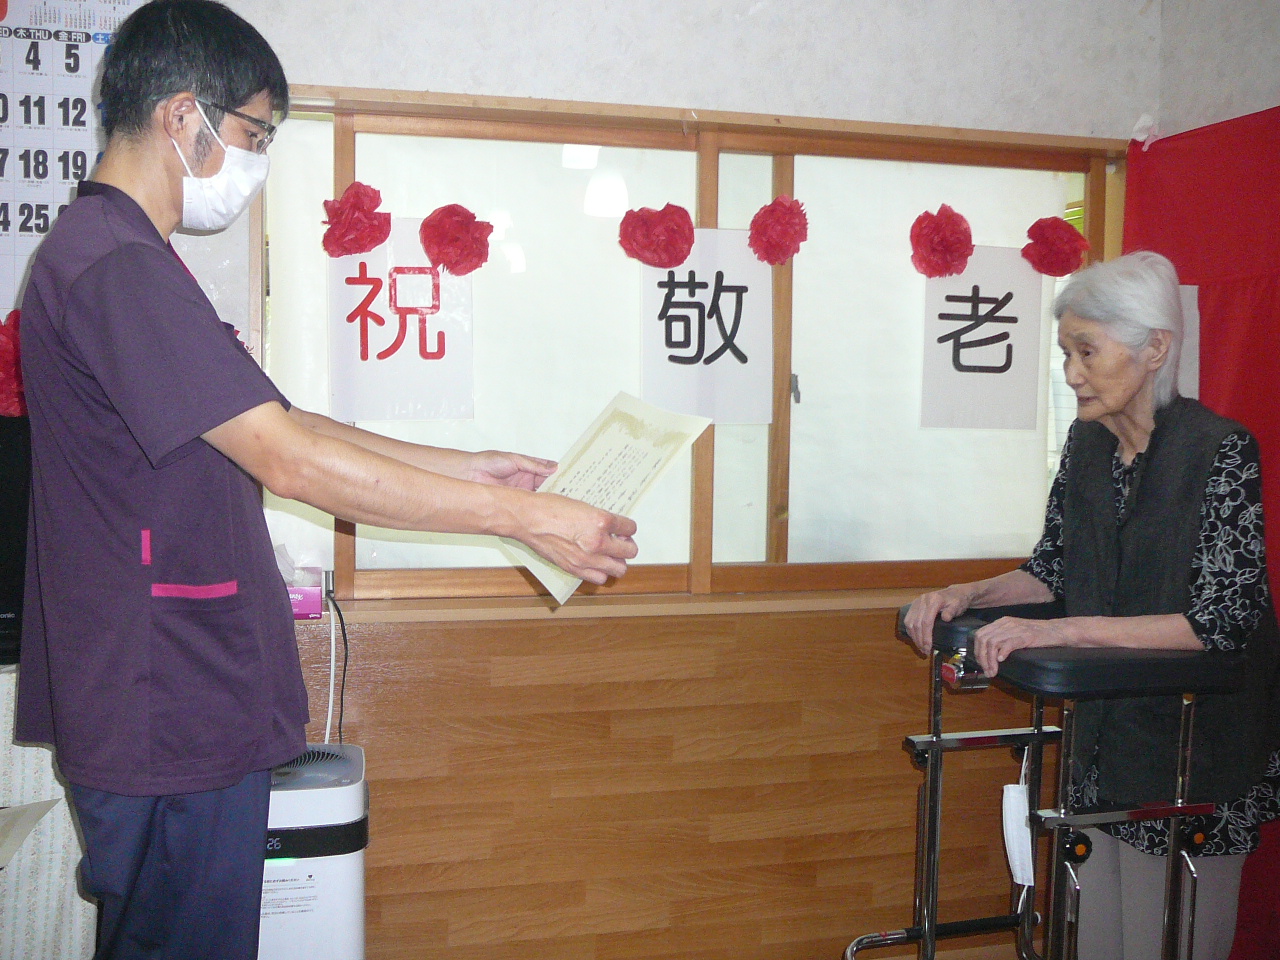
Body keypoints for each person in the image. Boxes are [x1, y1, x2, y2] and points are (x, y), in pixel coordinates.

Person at [13, 2, 637, 958]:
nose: (257, 160)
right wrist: (519, 517)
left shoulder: (126, 259)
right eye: (255, 133)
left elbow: (282, 420)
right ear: (184, 116)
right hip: (163, 698)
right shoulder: (115, 267)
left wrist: (468, 466)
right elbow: (290, 460)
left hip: (169, 692)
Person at [903, 251, 1280, 960]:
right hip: (1104, 742)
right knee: (1093, 939)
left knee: (1165, 940)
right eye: (1066, 353)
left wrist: (1067, 631)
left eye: (1087, 351)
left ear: (1155, 349)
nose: (1071, 373)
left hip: (1195, 750)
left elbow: (1221, 621)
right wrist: (969, 594)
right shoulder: (1085, 445)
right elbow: (1052, 568)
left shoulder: (1221, 450)